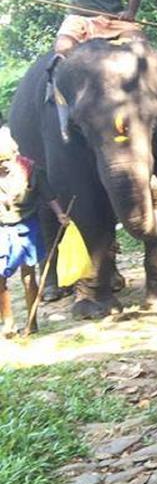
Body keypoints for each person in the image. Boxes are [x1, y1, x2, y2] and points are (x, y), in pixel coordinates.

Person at [0, 126, 69, 335]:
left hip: (27, 226)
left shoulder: (32, 171)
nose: (3, 166)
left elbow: (49, 196)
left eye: (6, 161)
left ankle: (32, 322)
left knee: (29, 275)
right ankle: (8, 323)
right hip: (2, 228)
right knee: (0, 277)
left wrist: (60, 214)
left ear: (15, 155)